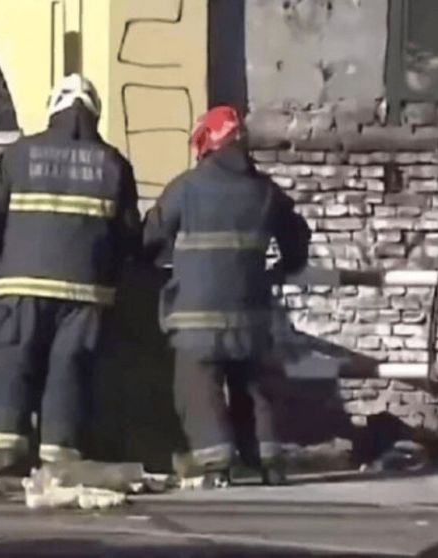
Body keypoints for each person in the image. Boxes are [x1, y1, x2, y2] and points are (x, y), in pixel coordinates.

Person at [0, 74, 142, 474]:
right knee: (69, 368)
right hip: (86, 291)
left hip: (19, 285)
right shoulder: (114, 163)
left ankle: (3, 450)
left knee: (13, 362)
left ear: (53, 108)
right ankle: (60, 455)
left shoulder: (18, 155)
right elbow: (129, 235)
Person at [142, 105, 310, 488]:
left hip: (195, 318)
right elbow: (297, 239)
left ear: (206, 142)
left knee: (197, 385)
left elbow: (150, 237)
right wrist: (283, 269)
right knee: (252, 384)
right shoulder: (265, 191)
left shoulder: (185, 188)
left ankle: (216, 462)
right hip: (249, 315)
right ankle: (268, 460)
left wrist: (157, 262)